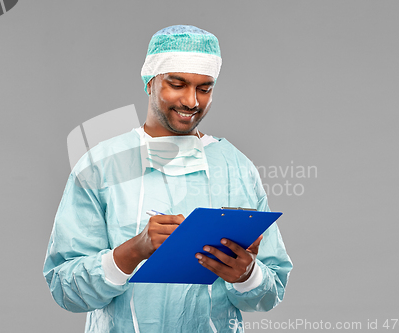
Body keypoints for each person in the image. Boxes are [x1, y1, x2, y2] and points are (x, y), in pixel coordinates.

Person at [43, 25, 292, 333]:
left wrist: (248, 275)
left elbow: (271, 288)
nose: (192, 101)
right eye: (177, 84)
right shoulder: (101, 166)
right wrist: (132, 252)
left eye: (205, 88)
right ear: (150, 81)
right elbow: (65, 288)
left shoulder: (235, 168)